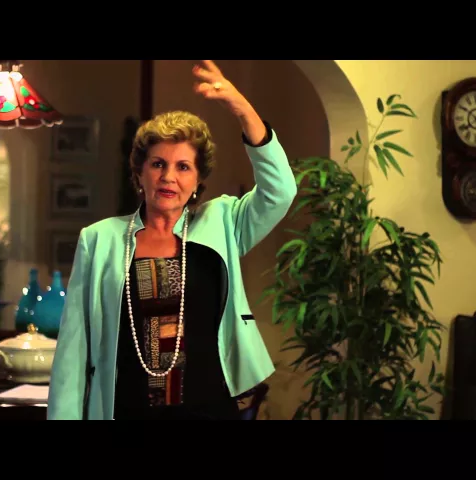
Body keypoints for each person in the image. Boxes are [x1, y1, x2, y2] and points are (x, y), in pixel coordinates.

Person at [46, 60, 297, 420]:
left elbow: (281, 191)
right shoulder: (98, 239)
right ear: (139, 173)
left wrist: (240, 107)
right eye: (158, 164)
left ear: (198, 181)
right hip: (125, 411)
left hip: (209, 411)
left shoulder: (223, 222)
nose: (168, 177)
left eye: (183, 167)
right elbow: (73, 352)